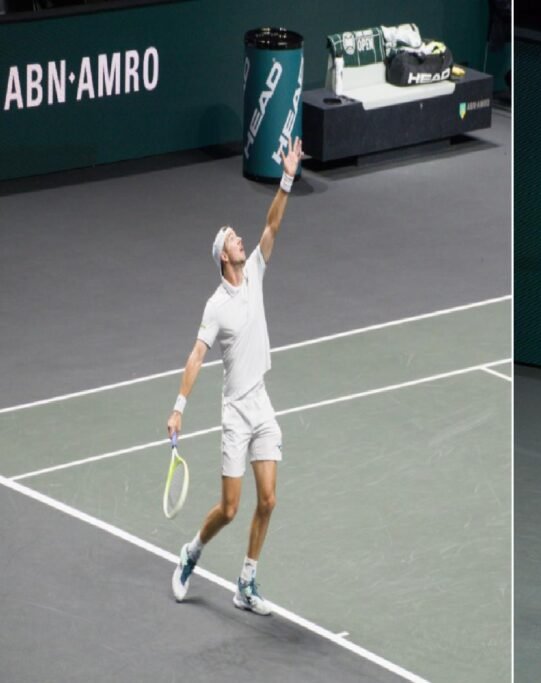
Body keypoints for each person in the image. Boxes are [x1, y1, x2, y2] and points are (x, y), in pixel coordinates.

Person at [165, 137, 303, 616]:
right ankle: (191, 554)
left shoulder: (258, 270)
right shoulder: (215, 306)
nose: (240, 240)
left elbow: (272, 223)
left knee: (268, 500)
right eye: (232, 239)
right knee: (229, 508)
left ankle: (246, 581)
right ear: (223, 256)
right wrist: (179, 408)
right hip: (235, 412)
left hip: (261, 403)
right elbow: (196, 356)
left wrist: (286, 178)